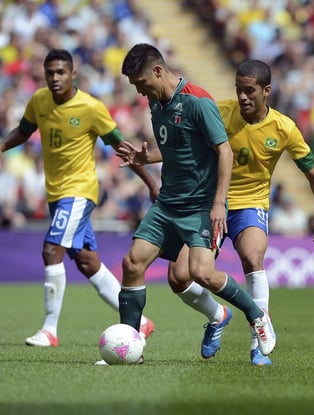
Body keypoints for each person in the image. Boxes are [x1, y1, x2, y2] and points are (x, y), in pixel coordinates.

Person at [165, 59, 314, 366]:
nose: (242, 97)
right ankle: (217, 315)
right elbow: (183, 144)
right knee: (179, 277)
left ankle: (258, 342)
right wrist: (149, 155)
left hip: (251, 203)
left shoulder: (284, 128)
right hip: (211, 202)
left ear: (266, 91)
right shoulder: (220, 112)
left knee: (253, 257)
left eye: (249, 90)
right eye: (238, 90)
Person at [115, 43, 276, 363]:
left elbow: (224, 151)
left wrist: (219, 204)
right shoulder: (156, 102)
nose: (139, 90)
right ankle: (129, 348)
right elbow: (179, 147)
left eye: (141, 82)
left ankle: (256, 314)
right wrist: (146, 158)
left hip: (201, 206)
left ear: (158, 71)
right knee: (133, 263)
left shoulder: (198, 101)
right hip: (168, 204)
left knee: (201, 273)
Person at [0, 49, 156, 348]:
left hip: (80, 191)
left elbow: (121, 147)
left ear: (73, 74)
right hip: (56, 194)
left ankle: (49, 330)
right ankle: (143, 322)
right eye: (50, 73)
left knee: (50, 250)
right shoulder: (39, 101)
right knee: (86, 262)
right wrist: (3, 146)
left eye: (61, 72)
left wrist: (151, 182)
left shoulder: (91, 108)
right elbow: (23, 130)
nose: (55, 78)